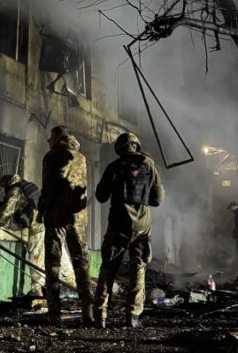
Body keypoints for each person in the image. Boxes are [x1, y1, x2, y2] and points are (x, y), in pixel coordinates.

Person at [93, 132, 164, 329]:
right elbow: (157, 200)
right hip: (142, 227)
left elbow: (100, 196)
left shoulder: (114, 167)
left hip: (118, 224)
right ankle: (133, 316)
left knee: (108, 268)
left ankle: (100, 316)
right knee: (138, 268)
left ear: (119, 148)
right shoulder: (149, 165)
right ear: (137, 146)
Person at [37, 126, 93, 326]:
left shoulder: (51, 156)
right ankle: (88, 311)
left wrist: (41, 210)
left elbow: (49, 186)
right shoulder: (81, 157)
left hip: (56, 217)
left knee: (53, 264)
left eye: (50, 138)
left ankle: (54, 314)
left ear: (57, 137)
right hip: (78, 218)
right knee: (81, 263)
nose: (48, 141)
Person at [0, 174, 44, 297]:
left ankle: (37, 292)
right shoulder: (28, 186)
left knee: (35, 258)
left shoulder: (15, 190)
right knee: (61, 259)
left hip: (38, 225)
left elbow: (5, 213)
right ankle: (73, 287)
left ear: (7, 183)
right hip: (49, 222)